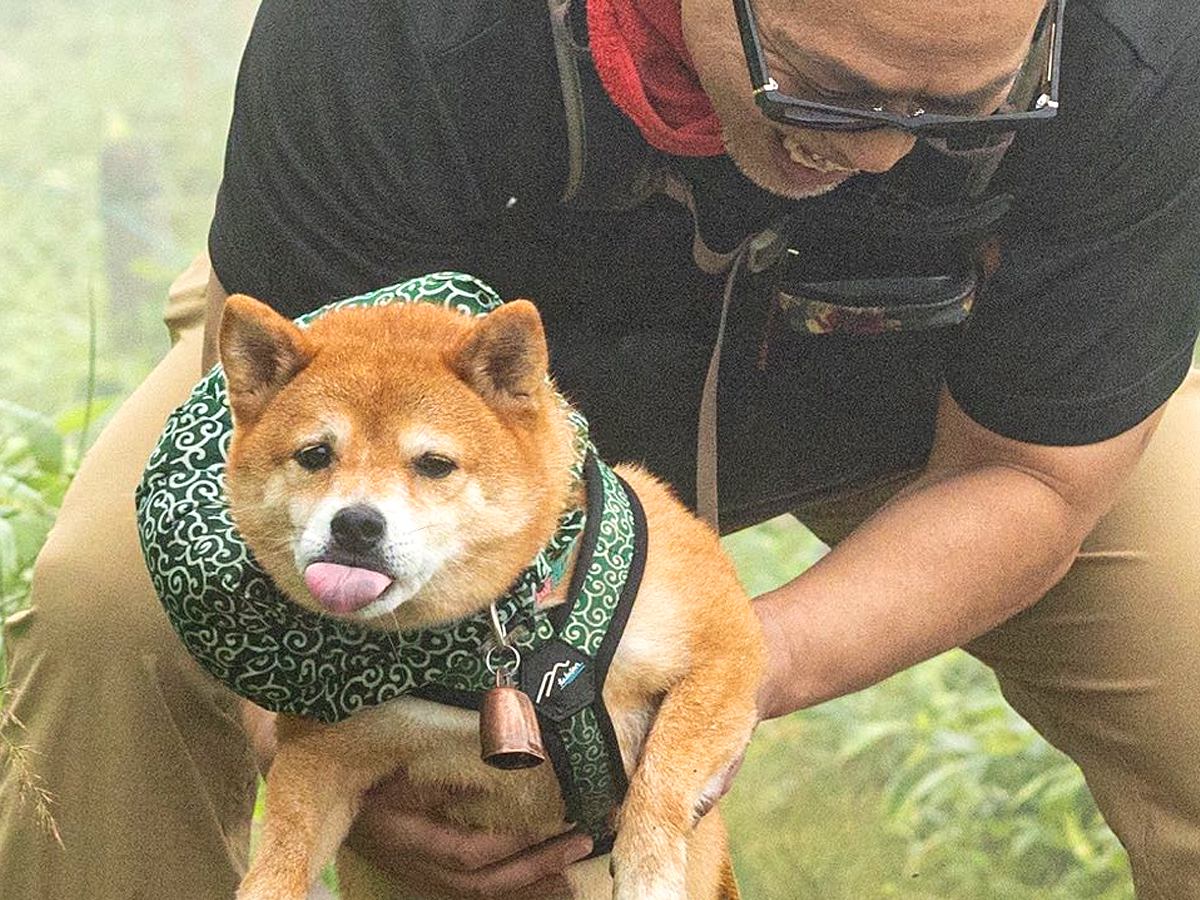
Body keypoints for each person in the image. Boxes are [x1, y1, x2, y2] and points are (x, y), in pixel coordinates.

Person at [3, 0, 1199, 897]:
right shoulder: (394, 27)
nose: (886, 154)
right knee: (112, 611)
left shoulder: (1133, 41)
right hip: (408, 394)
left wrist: (703, 682)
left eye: (958, 113)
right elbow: (304, 420)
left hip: (912, 394)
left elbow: (1029, 475)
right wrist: (322, 731)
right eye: (827, 92)